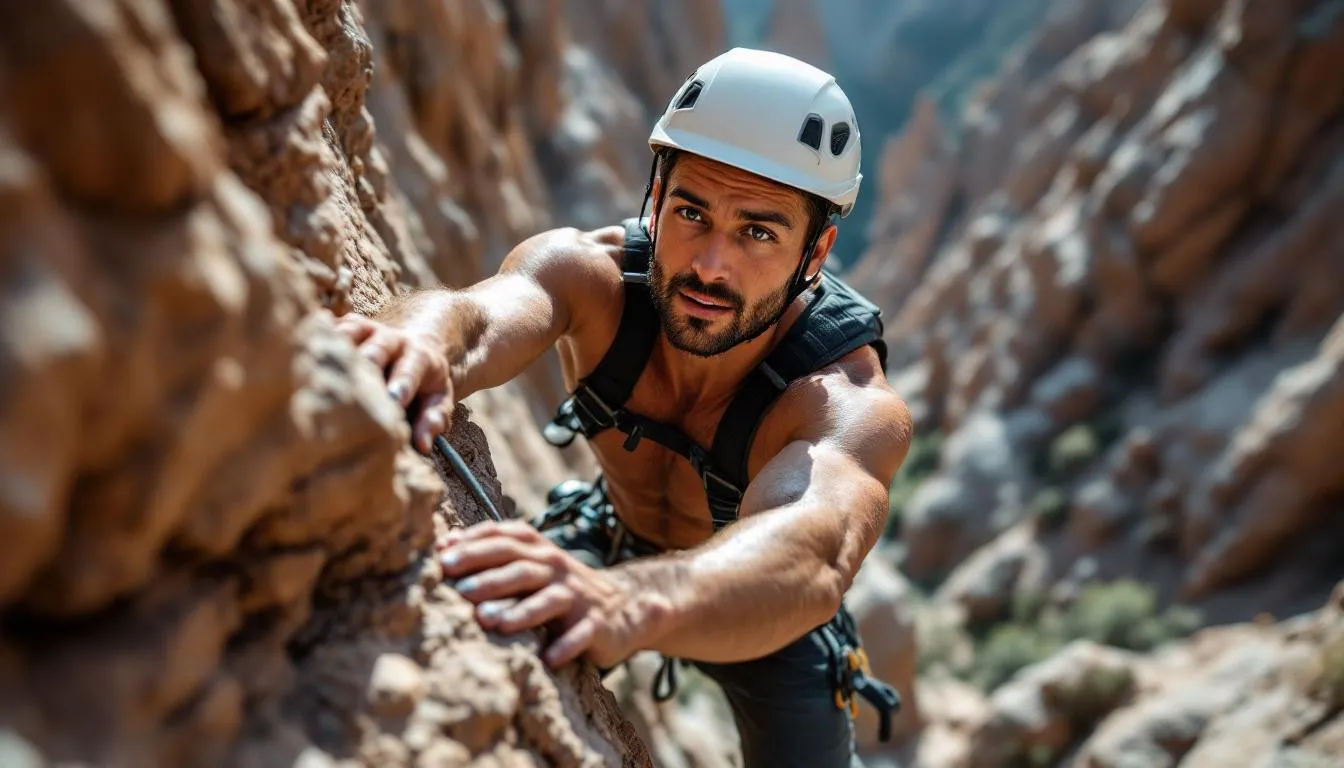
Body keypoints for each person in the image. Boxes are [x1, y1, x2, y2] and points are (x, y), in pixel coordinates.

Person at [338, 47, 913, 767]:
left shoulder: (844, 400)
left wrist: (626, 604)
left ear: (817, 251)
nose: (710, 264)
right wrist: (419, 342)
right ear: (655, 195)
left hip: (759, 605)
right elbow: (475, 316)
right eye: (691, 212)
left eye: (758, 233)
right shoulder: (593, 278)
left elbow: (813, 550)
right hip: (615, 537)